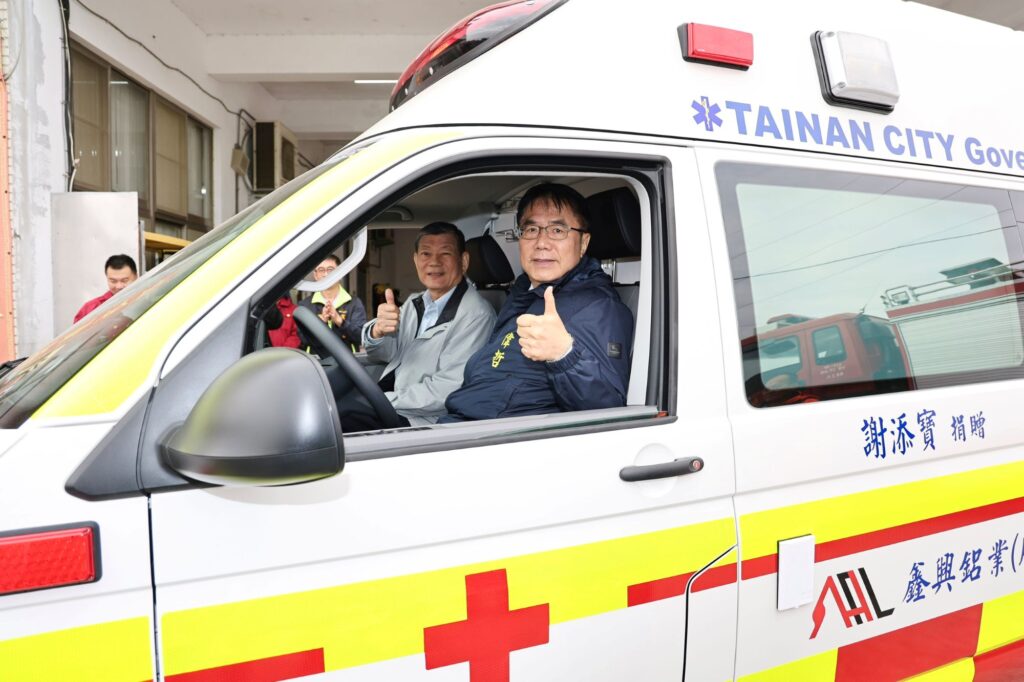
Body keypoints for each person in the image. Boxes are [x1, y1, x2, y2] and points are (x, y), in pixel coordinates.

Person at [442, 183, 633, 421]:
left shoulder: (598, 307)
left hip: (503, 437)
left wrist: (563, 355)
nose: (542, 242)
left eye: (557, 230)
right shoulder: (524, 292)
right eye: (531, 229)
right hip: (463, 424)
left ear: (583, 243)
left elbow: (608, 411)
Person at [344, 222, 495, 430]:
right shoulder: (415, 302)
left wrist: (383, 400)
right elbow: (386, 354)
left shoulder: (476, 315)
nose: (434, 262)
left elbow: (447, 390)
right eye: (425, 254)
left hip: (427, 420)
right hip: (399, 403)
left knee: (338, 423)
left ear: (463, 261)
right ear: (416, 260)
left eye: (445, 253)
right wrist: (377, 331)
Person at [297, 254, 367, 355]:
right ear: (315, 275)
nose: (326, 274)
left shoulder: (354, 303)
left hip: (347, 361)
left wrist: (340, 321)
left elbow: (361, 336)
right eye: (321, 270)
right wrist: (320, 322)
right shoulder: (305, 305)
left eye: (330, 269)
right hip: (316, 362)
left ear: (340, 273)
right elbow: (301, 339)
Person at [73, 254, 138, 323]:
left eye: (124, 280)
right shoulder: (91, 309)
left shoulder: (145, 302)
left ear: (136, 277)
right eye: (113, 281)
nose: (119, 286)